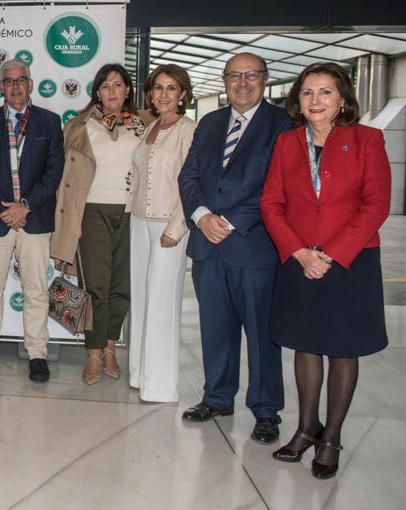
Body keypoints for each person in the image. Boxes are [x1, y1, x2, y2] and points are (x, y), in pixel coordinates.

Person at [261, 62, 390, 479]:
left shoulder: (367, 139)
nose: (315, 101)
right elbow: (271, 203)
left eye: (325, 93)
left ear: (343, 99)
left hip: (349, 262)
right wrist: (299, 251)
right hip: (299, 260)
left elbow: (376, 206)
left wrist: (330, 254)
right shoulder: (287, 143)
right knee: (305, 344)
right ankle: (305, 429)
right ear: (297, 101)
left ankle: (331, 437)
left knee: (343, 348)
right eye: (307, 93)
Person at [178, 52, 290, 444]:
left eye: (251, 75)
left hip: (253, 245)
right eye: (234, 76)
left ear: (265, 79)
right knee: (215, 328)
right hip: (208, 245)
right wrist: (202, 215)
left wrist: (230, 220)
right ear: (224, 81)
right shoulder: (209, 123)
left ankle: (265, 410)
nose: (242, 82)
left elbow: (278, 185)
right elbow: (188, 174)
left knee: (262, 333)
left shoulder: (282, 124)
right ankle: (218, 397)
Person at [51, 63, 153, 385]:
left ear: (127, 90)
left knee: (121, 287)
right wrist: (71, 221)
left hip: (131, 212)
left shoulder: (145, 125)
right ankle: (94, 352)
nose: (112, 91)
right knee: (96, 287)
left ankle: (111, 347)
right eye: (105, 85)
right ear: (97, 91)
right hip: (92, 212)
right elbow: (64, 179)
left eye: (118, 85)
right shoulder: (79, 126)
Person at [0, 60, 63, 383]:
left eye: (21, 80)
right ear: (1, 87)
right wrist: (2, 209)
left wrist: (25, 207)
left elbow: (54, 171)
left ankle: (38, 354)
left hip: (34, 219)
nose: (16, 86)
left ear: (31, 84)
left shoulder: (49, 123)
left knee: (36, 290)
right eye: (8, 81)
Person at [125, 64, 195, 401]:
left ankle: (161, 385)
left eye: (171, 88)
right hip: (139, 221)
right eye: (157, 88)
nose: (163, 94)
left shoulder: (188, 130)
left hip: (169, 226)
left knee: (162, 302)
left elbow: (191, 183)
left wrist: (177, 227)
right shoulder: (150, 127)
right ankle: (140, 374)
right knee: (141, 299)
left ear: (183, 94)